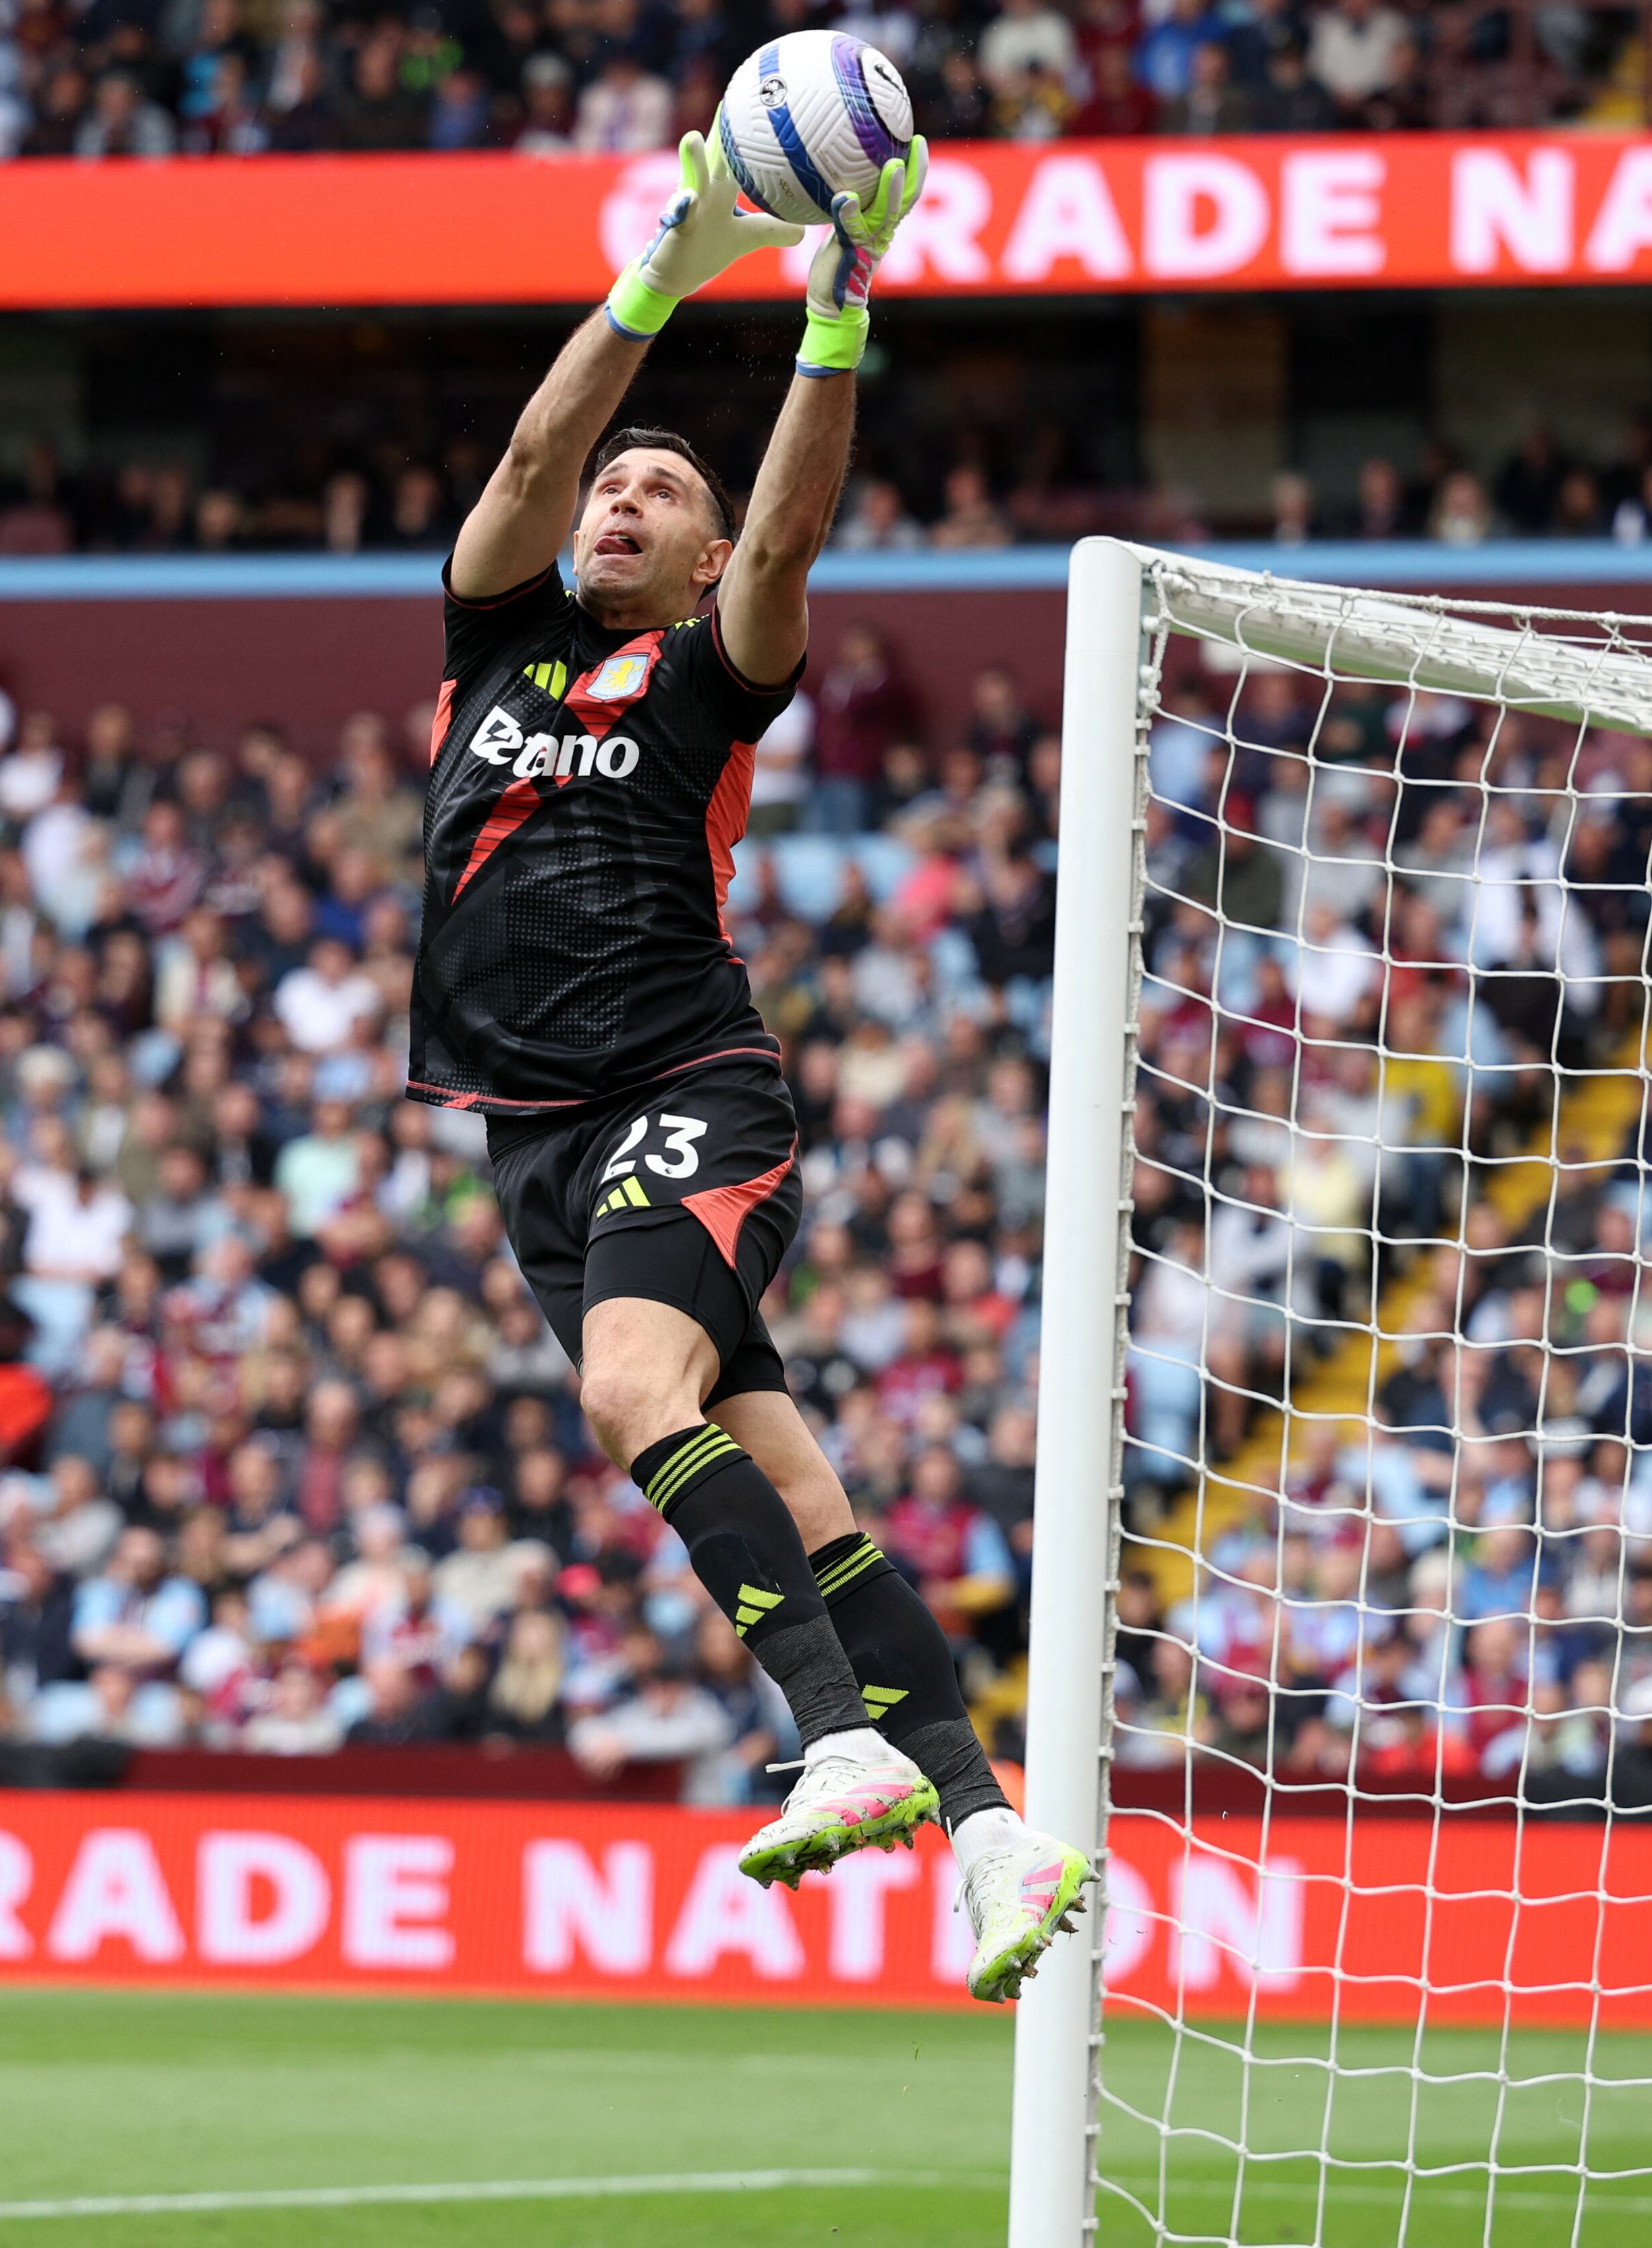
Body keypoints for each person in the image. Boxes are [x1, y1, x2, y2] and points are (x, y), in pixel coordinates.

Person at [406, 126, 1088, 2002]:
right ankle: (991, 1826)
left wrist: (831, 307)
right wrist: (657, 274)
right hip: (530, 1141)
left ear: (704, 558)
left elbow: (789, 529)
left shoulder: (716, 668)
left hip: (683, 1082)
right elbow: (534, 460)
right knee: (802, 1497)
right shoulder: (495, 645)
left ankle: (832, 1734)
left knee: (639, 1392)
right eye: (614, 483)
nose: (620, 496)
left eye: (662, 492)